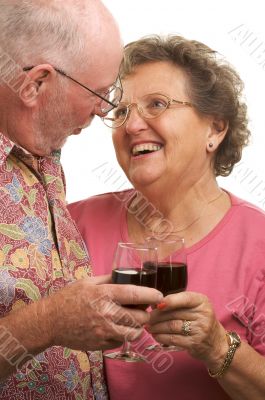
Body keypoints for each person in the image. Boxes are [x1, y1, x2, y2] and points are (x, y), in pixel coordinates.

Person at [69, 34, 265, 399]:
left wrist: (220, 348)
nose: (130, 126)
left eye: (156, 104)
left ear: (216, 128)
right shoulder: (71, 223)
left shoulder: (259, 243)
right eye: (121, 112)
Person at [0, 3, 163, 399]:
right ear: (36, 84)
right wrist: (47, 323)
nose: (107, 110)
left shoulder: (43, 152)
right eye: (99, 93)